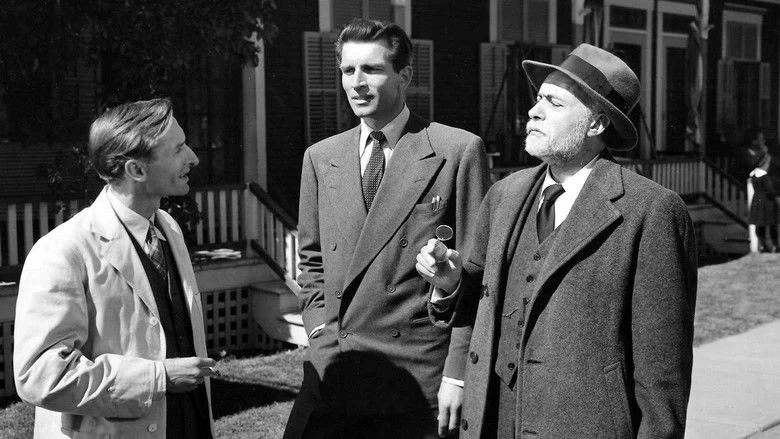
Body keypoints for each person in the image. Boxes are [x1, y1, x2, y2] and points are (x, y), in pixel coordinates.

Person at [416, 44, 697, 438]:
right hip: (493, 423)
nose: (534, 111)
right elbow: (479, 305)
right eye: (537, 98)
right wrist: (450, 283)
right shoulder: (504, 195)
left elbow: (662, 375)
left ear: (596, 124)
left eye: (554, 102)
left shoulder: (651, 211)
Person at [284, 18, 490, 439]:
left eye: (372, 69)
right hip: (337, 369)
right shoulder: (321, 157)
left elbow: (478, 275)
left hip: (416, 380)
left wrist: (457, 373)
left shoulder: (456, 151)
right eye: (347, 70)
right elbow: (311, 262)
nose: (356, 83)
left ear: (405, 76)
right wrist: (321, 335)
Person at [14, 98, 217, 438]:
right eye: (178, 149)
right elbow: (40, 376)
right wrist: (158, 378)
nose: (193, 157)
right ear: (136, 171)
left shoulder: (168, 227)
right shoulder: (62, 251)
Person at [745, 128, 779, 252]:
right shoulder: (751, 156)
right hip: (763, 197)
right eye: (760, 139)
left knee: (769, 223)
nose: (763, 141)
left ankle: (771, 245)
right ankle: (764, 245)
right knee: (763, 224)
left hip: (763, 198)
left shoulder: (766, 158)